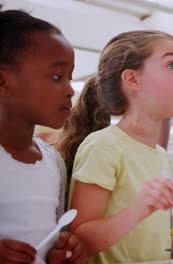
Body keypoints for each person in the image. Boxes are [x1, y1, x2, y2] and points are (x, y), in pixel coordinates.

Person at [56, 30, 173, 264]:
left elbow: (153, 241)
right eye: (171, 65)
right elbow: (80, 239)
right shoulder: (103, 146)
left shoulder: (159, 155)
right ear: (132, 80)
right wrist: (138, 209)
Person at [0, 8, 87, 264]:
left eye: (70, 78)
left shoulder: (52, 162)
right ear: (3, 82)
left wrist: (60, 251)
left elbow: (53, 233)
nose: (70, 90)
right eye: (57, 76)